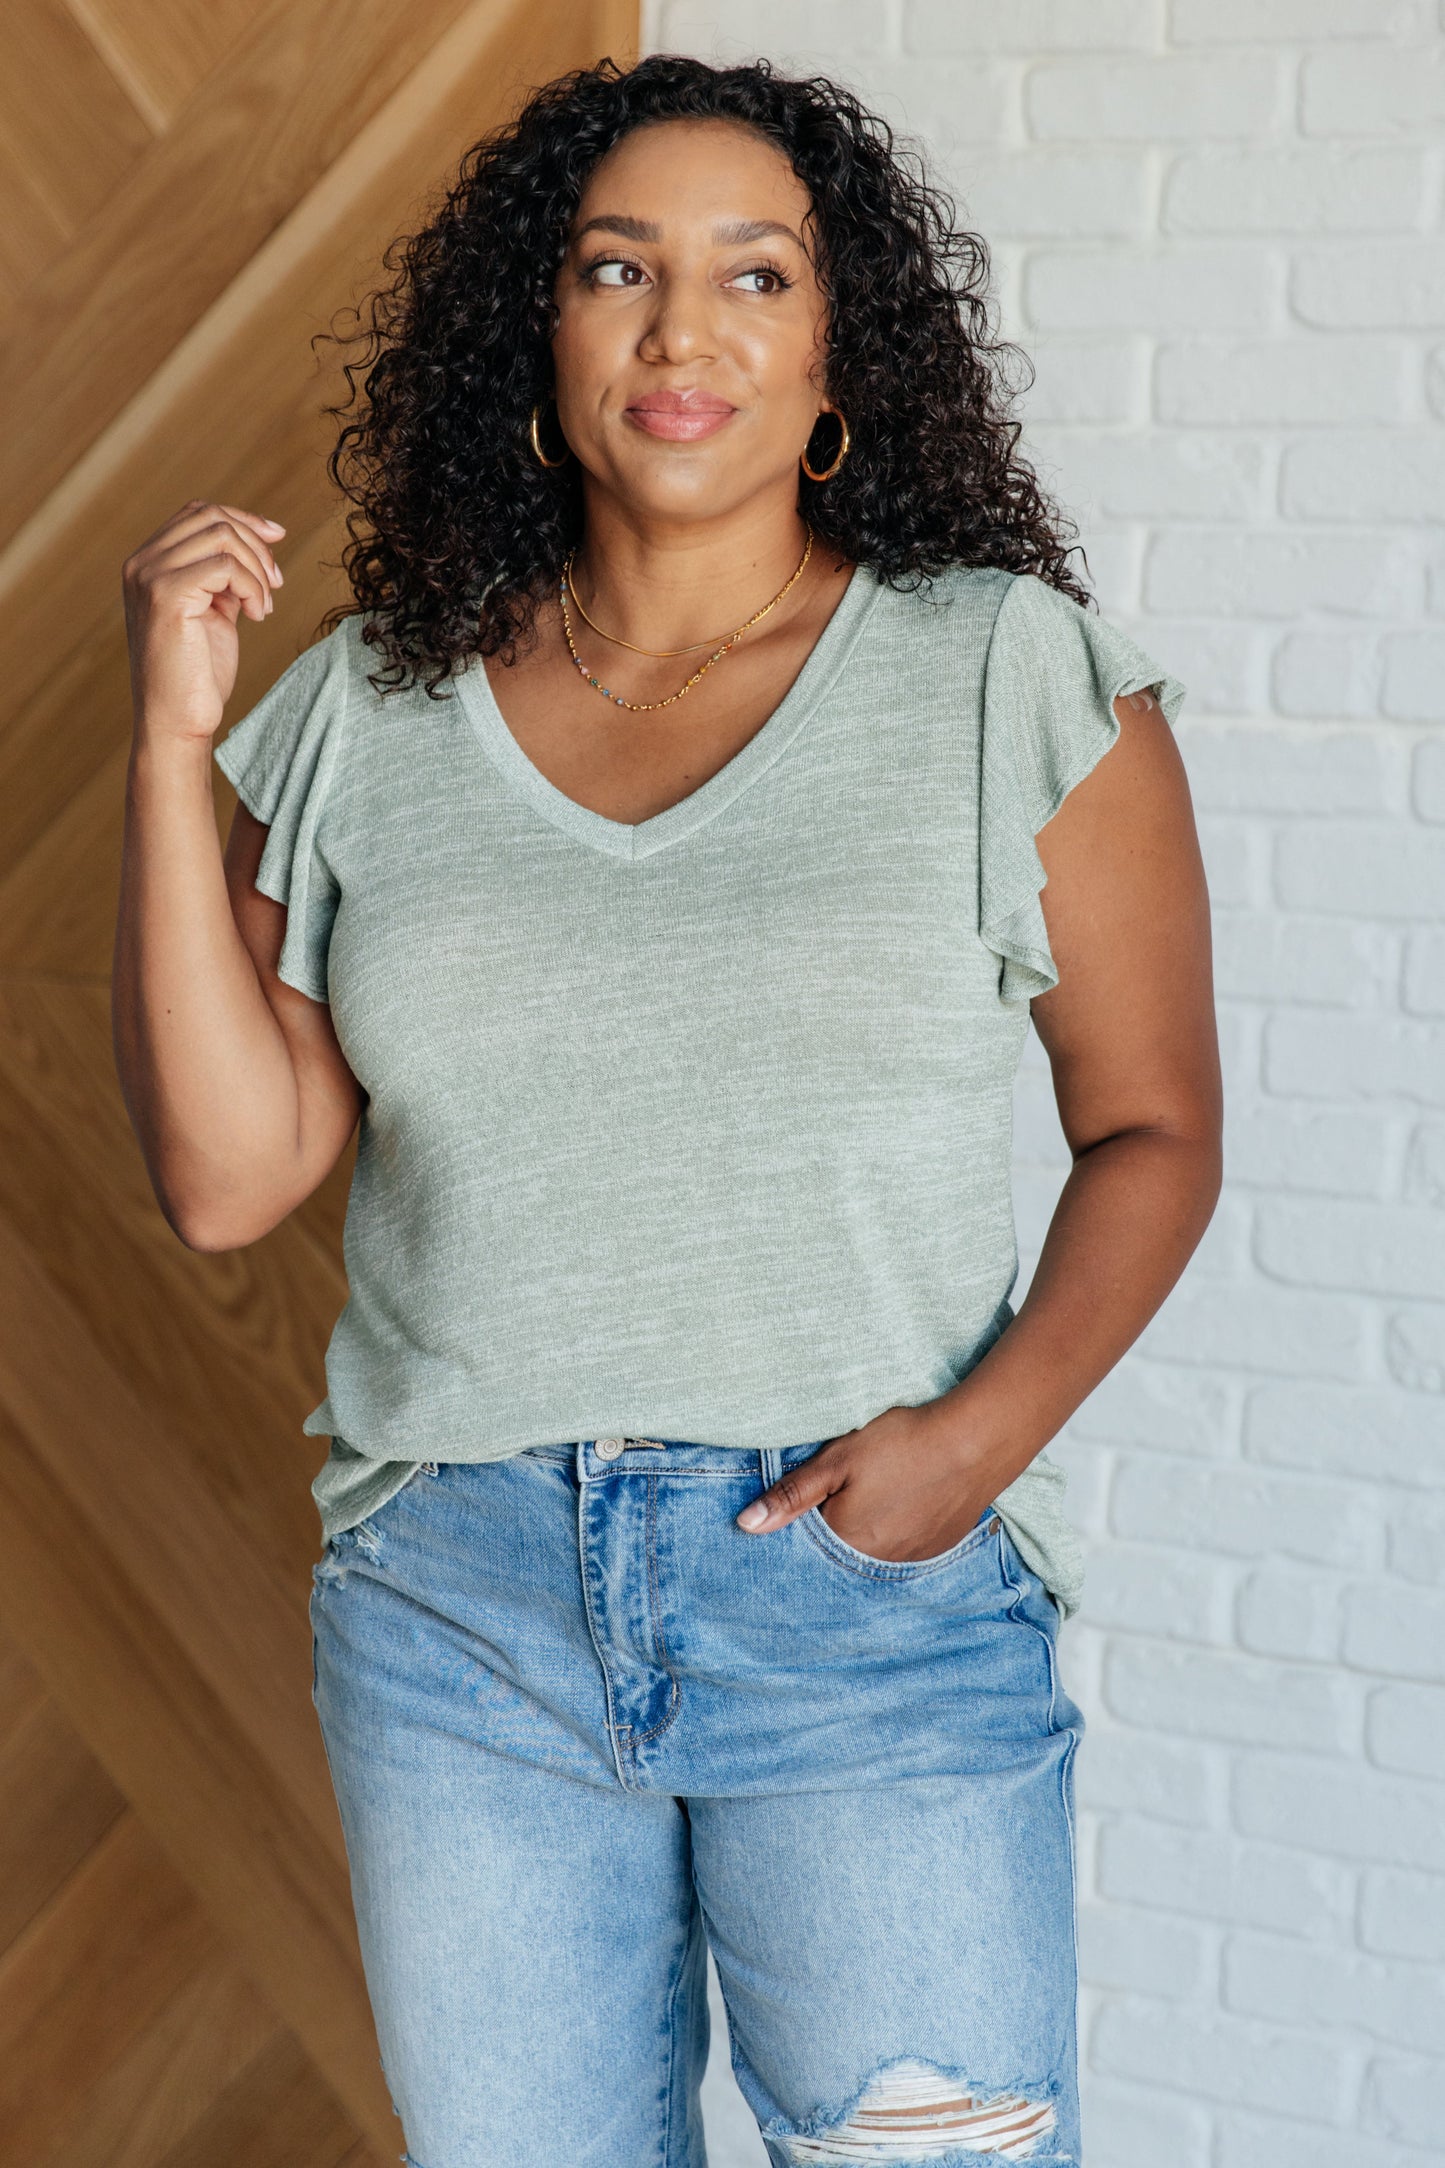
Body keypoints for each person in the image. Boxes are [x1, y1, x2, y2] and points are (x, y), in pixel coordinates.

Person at [112, 52, 1221, 2168]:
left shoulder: (1008, 678)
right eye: (617, 269)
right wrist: (175, 749)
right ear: (536, 339)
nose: (682, 328)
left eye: (755, 273)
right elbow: (231, 1178)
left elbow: (1154, 1128)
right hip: (461, 1612)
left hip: (863, 1597)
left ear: (836, 355)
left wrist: (964, 1457)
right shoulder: (370, 706)